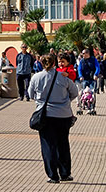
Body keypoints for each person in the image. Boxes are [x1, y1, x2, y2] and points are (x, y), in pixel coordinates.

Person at [27, 53, 79, 183]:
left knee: (48, 146)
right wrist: (64, 101)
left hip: (45, 116)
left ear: (41, 63)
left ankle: (53, 175)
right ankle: (65, 173)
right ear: (55, 63)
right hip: (63, 115)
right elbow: (74, 92)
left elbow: (30, 94)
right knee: (63, 144)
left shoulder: (36, 77)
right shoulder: (63, 77)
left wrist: (41, 101)